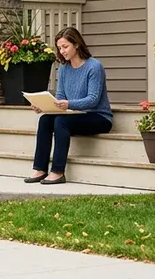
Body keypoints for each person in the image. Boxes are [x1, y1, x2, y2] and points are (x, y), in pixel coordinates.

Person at [25, 27, 113, 186]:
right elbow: (60, 97)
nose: (62, 51)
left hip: (98, 117)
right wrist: (43, 107)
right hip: (73, 114)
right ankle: (40, 169)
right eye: (59, 48)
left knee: (61, 122)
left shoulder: (94, 66)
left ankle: (58, 172)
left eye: (65, 47)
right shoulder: (64, 69)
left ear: (77, 45)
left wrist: (68, 104)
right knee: (45, 120)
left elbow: (93, 100)